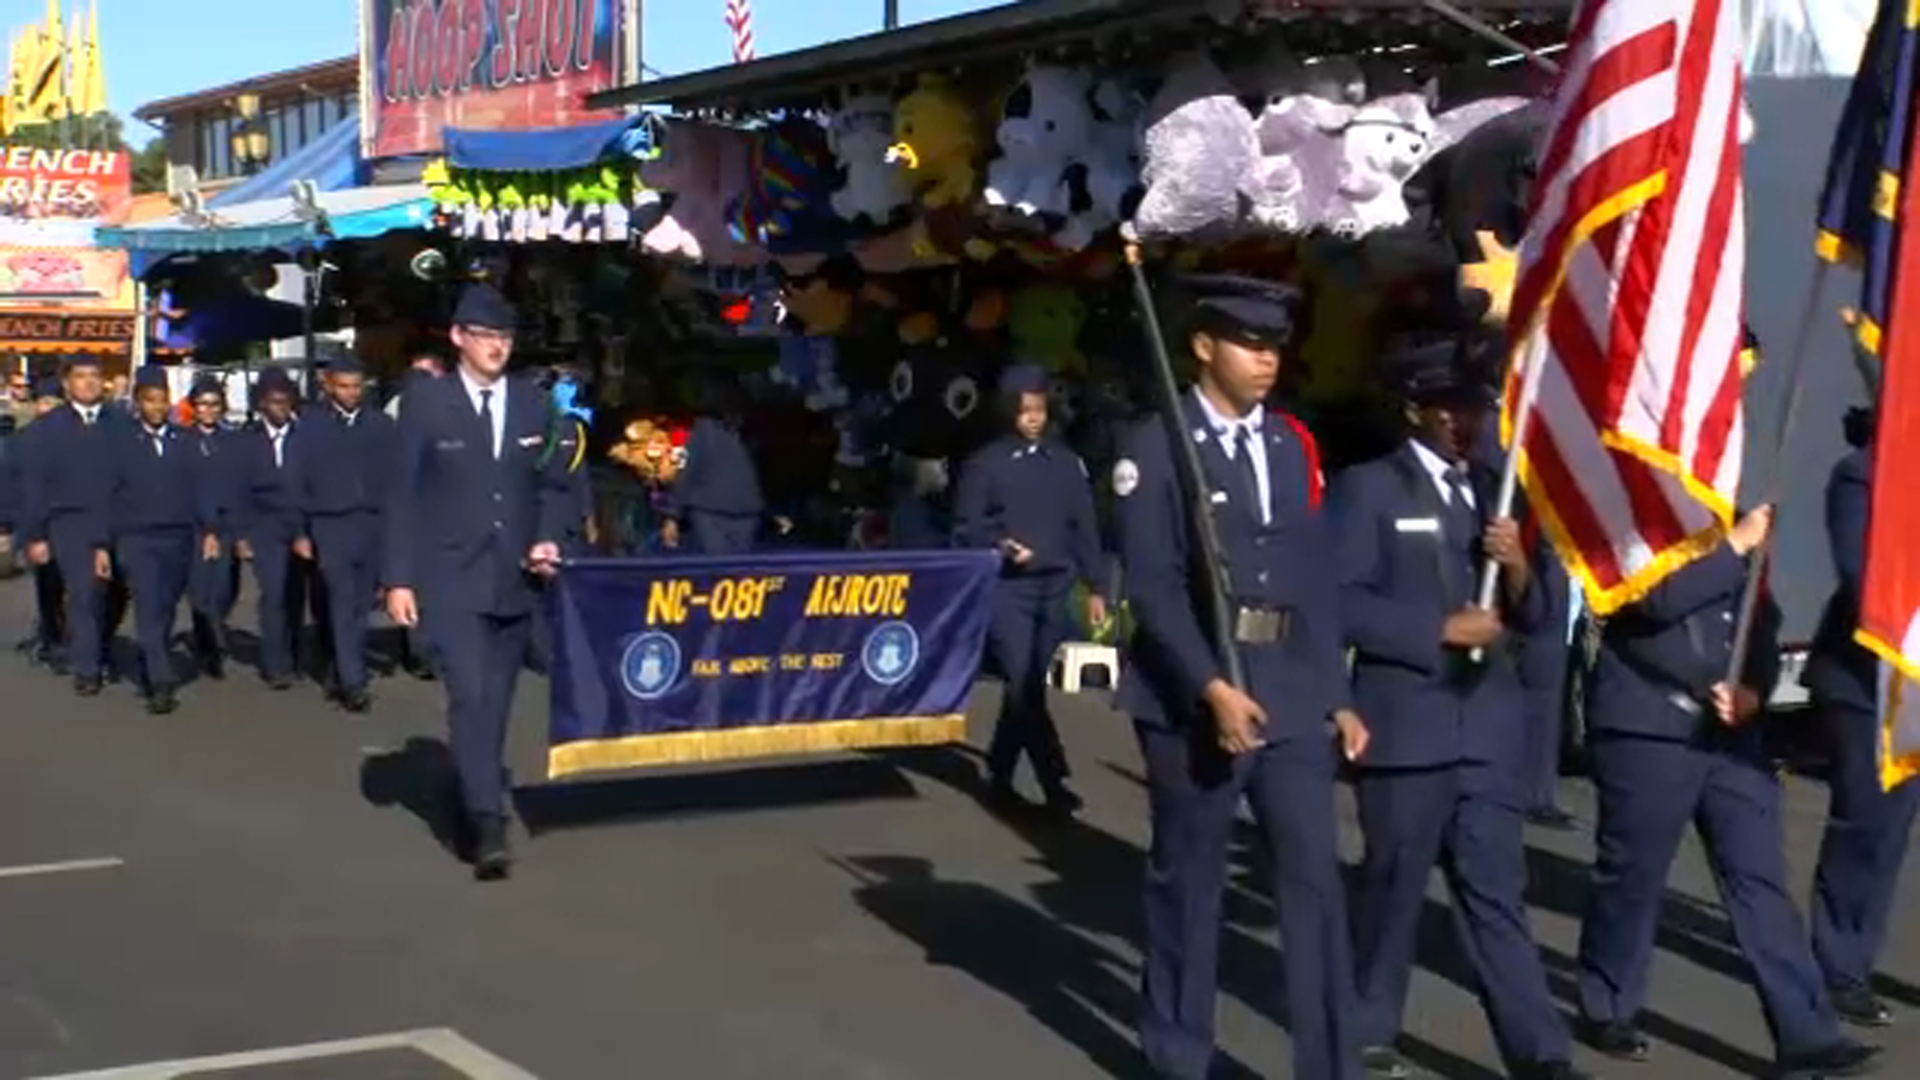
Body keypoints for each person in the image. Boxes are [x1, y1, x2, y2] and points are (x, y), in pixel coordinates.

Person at [1112, 275, 1368, 1080]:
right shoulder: (1154, 445)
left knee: (1314, 885)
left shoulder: (1290, 442)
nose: (1266, 360)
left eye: (1274, 347)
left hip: (1290, 687)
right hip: (1194, 700)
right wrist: (1209, 688)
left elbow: (1312, 576)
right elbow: (1151, 586)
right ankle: (1179, 1057)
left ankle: (1329, 1065)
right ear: (1202, 346)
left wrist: (1337, 693)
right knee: (1190, 886)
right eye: (1250, 344)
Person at [1330, 341, 1583, 1080]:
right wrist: (1434, 630)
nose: (1461, 422)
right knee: (1391, 888)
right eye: (1447, 408)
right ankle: (1368, 1022)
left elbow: (1536, 617)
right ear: (1415, 409)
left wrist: (1516, 566)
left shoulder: (1497, 489)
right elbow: (1336, 603)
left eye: (1472, 408)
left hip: (1485, 730)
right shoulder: (1370, 488)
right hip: (1406, 725)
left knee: (1495, 896)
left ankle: (1539, 1051)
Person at [1575, 504, 1881, 1076]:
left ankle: (1808, 1035)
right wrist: (1733, 547)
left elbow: (1760, 623)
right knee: (1633, 876)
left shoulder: (1729, 526)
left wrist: (1756, 693)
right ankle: (1607, 1001)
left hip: (1730, 738)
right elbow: (1654, 601)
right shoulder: (1632, 512)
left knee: (1760, 882)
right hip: (1651, 726)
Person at [383, 284, 574, 881]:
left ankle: (475, 791)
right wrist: (398, 578)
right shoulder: (426, 403)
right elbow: (402, 494)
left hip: (514, 581)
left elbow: (554, 485)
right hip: (449, 579)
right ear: (459, 338)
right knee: (469, 695)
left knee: (494, 704)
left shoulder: (531, 404)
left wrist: (549, 538)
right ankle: (488, 823)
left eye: (506, 338)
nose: (497, 347)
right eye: (486, 336)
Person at [953, 363, 1107, 817]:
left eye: (1039, 409)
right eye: (1025, 411)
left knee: (1026, 690)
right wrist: (999, 545)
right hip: (1007, 590)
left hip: (1055, 586)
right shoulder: (985, 464)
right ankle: (1053, 779)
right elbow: (965, 528)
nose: (1034, 418)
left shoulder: (1064, 463)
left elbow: (1084, 526)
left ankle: (1000, 768)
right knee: (1023, 681)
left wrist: (1096, 585)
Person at [1807, 407, 1916, 1028]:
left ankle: (1860, 952)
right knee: (1866, 826)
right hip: (1867, 681)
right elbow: (1863, 578)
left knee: (1894, 833)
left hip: (1917, 684)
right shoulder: (1860, 476)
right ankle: (1838, 965)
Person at [104, 366, 213, 714]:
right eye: (150, 401)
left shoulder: (184, 440)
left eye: (163, 400)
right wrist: (104, 542)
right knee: (148, 606)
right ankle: (160, 681)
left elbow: (201, 490)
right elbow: (106, 494)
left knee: (165, 608)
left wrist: (209, 530)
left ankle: (154, 655)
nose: (157, 407)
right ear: (138, 403)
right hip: (138, 539)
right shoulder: (120, 443)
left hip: (179, 538)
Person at [294, 355, 396, 713]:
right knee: (342, 599)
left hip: (371, 523)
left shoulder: (382, 426)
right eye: (344, 386)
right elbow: (296, 480)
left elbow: (395, 481)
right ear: (328, 386)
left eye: (357, 386)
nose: (351, 393)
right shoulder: (310, 427)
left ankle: (342, 667)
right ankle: (353, 682)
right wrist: (300, 531)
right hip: (330, 524)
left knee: (362, 605)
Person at [17, 354, 123, 696]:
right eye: (81, 376)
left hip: (119, 520)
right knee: (85, 592)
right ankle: (89, 669)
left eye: (95, 375)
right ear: (67, 383)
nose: (90, 382)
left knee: (117, 593)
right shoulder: (47, 429)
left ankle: (99, 645)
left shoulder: (119, 423)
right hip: (70, 520)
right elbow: (35, 485)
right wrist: (35, 535)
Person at [233, 369, 311, 691]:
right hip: (264, 527)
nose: (281, 407)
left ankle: (294, 652)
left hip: (302, 526)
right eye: (274, 402)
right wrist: (240, 535)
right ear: (262, 404)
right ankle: (275, 663)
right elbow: (236, 490)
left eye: (286, 401)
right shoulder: (246, 441)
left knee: (296, 595)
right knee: (274, 594)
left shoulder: (306, 437)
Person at [662, 371, 764, 555]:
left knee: (717, 572)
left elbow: (687, 471)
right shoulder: (749, 429)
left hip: (711, 511)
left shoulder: (704, 429)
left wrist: (672, 516)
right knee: (739, 575)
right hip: (747, 511)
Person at [184, 375, 242, 679]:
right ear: (193, 407)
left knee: (226, 588)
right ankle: (209, 646)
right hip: (194, 525)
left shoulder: (233, 440)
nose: (208, 410)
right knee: (201, 588)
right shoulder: (182, 440)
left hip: (228, 524)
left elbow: (241, 484)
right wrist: (205, 527)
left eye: (214, 404)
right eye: (202, 404)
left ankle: (213, 627)